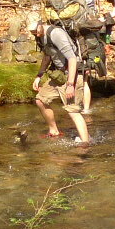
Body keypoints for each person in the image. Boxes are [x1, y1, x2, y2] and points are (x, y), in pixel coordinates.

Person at [29, 14, 90, 143]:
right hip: (59, 74)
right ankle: (53, 130)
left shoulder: (56, 34)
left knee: (72, 111)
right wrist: (39, 76)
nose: (35, 33)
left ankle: (85, 143)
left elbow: (72, 58)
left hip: (72, 75)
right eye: (32, 32)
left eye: (36, 30)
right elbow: (47, 55)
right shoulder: (41, 37)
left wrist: (70, 85)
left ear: (41, 24)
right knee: (41, 100)